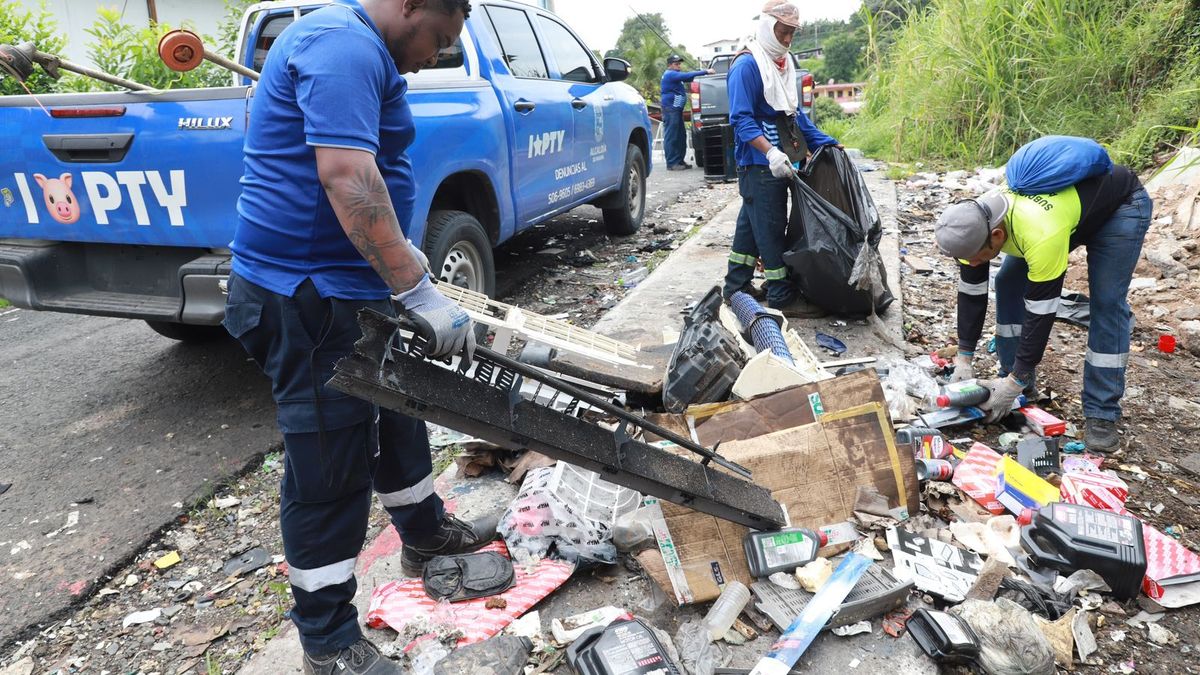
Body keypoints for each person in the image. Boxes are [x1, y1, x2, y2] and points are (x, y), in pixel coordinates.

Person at [223, 0, 494, 672]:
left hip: (351, 284)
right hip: (308, 297)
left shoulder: (360, 47)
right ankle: (328, 641)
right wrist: (417, 288)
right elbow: (347, 174)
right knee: (330, 466)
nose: (433, 56)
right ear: (409, 4)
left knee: (399, 413)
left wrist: (400, 267)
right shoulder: (342, 44)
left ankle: (425, 535)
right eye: (438, 37)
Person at [934, 139, 1152, 452]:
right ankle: (1018, 381)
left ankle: (1101, 413)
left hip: (1120, 209)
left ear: (997, 235)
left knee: (1106, 304)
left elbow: (1041, 313)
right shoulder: (973, 222)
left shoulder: (1039, 233)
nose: (974, 264)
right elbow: (972, 292)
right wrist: (964, 359)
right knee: (1008, 282)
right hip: (1068, 217)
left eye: (979, 258)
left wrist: (1015, 381)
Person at [721, 0, 840, 317]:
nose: (787, 40)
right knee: (771, 229)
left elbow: (794, 117)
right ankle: (781, 295)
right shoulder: (747, 66)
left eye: (791, 33)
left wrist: (829, 143)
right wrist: (770, 152)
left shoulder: (782, 65)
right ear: (766, 27)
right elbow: (741, 120)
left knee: (751, 225)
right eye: (782, 32)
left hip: (782, 162)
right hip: (759, 165)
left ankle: (735, 287)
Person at [659, 55, 711, 171]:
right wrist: (706, 71)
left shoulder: (676, 76)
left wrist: (701, 74)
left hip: (676, 110)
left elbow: (689, 77)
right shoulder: (670, 74)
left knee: (680, 136)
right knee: (672, 136)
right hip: (670, 109)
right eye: (676, 64)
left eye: (679, 63)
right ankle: (672, 163)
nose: (679, 65)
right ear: (670, 65)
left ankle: (679, 160)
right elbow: (686, 75)